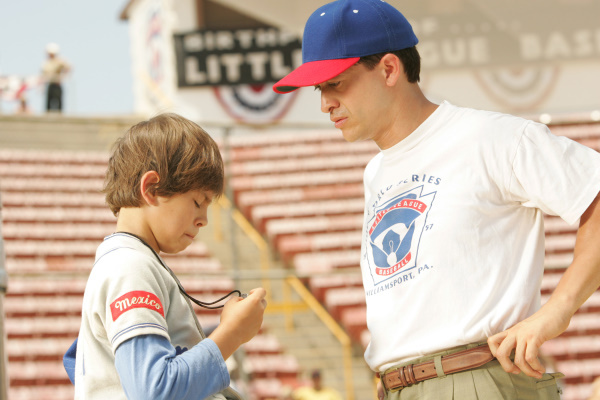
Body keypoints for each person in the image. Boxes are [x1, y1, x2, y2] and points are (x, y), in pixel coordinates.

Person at [273, 0, 600, 399]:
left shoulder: (492, 137)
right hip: (397, 385)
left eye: (335, 83)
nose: (325, 103)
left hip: (472, 377)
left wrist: (557, 311)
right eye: (319, 89)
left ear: (390, 69)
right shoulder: (376, 172)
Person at [72, 113, 267, 399]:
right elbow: (154, 391)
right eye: (198, 202)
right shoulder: (130, 266)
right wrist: (232, 333)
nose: (204, 220)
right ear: (151, 189)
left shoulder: (132, 261)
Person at [41, 42, 70, 112]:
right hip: (50, 83)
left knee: (58, 102)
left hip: (57, 84)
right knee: (48, 103)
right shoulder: (46, 62)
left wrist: (62, 77)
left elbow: (68, 68)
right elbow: (43, 74)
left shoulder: (60, 61)